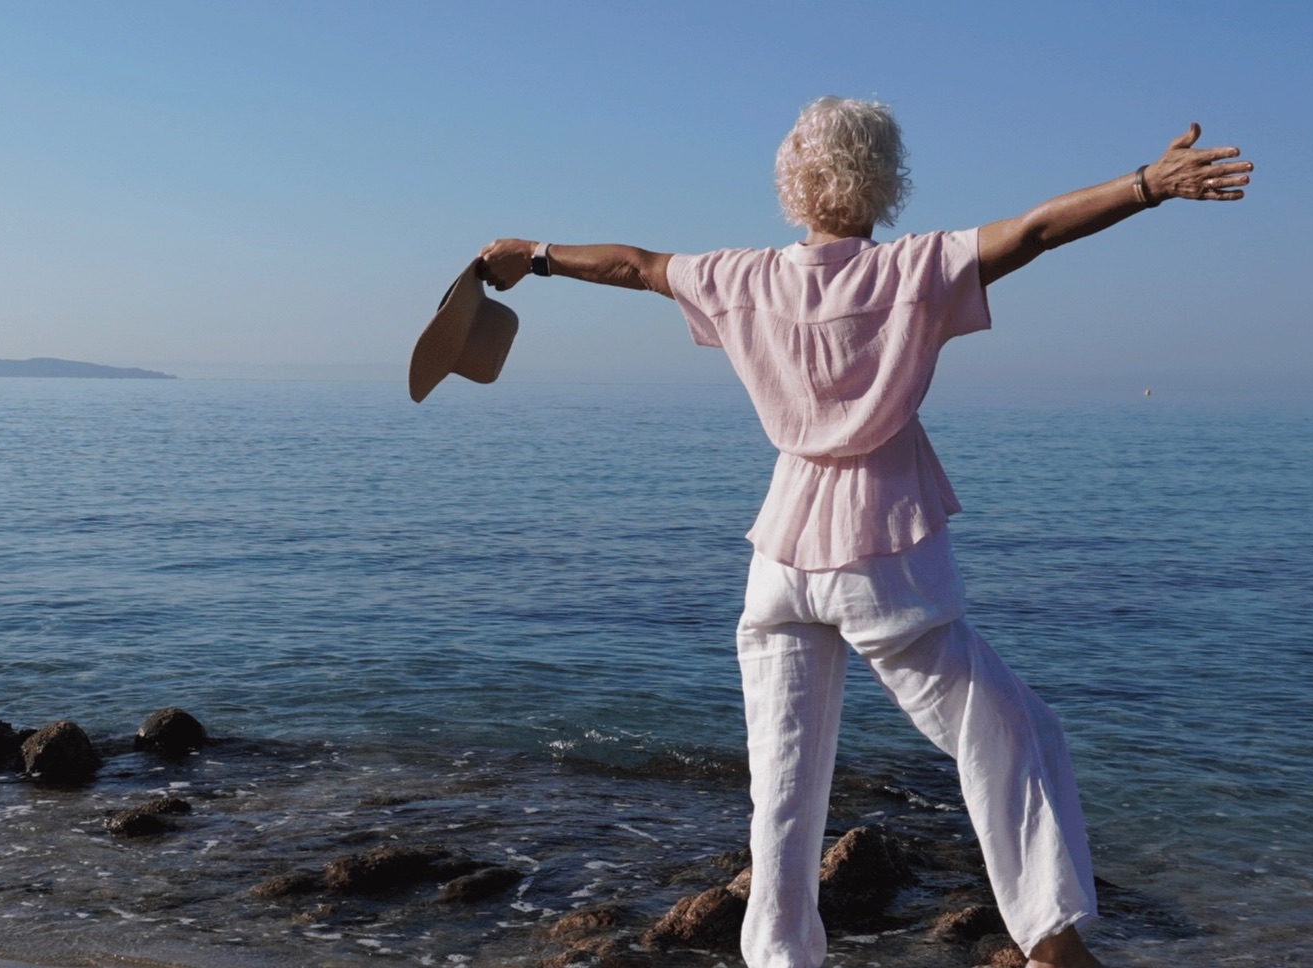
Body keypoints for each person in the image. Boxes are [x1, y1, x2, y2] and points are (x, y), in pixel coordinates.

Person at [478, 96, 1251, 968]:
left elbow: (632, 266)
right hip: (880, 557)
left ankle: (779, 959)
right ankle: (1050, 944)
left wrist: (534, 257)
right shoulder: (909, 270)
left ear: (792, 182)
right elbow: (1036, 231)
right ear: (883, 181)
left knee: (781, 787)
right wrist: (1147, 184)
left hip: (778, 560)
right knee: (1008, 730)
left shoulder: (743, 278)